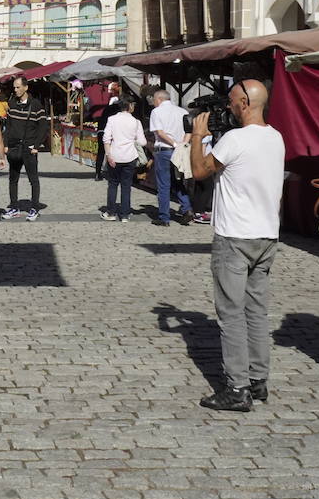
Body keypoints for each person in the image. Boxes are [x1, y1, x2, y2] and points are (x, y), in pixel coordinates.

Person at [187, 80, 286, 412]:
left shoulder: (235, 139)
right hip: (266, 234)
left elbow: (200, 170)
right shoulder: (275, 137)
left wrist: (198, 136)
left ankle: (236, 388)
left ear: (244, 102)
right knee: (256, 311)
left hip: (235, 236)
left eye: (231, 102)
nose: (228, 107)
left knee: (230, 314)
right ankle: (258, 380)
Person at [2, 75, 47, 222]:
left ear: (26, 87)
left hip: (29, 148)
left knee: (33, 179)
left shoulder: (36, 105)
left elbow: (43, 126)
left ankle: (34, 208)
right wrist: (6, 145)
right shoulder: (12, 104)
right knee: (12, 179)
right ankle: (14, 207)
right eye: (14, 87)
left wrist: (37, 145)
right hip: (14, 147)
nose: (15, 90)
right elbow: (8, 126)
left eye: (18, 87)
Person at [147, 87, 194, 226]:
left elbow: (160, 133)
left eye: (154, 100)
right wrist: (182, 144)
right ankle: (187, 208)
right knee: (178, 181)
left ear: (159, 99)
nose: (154, 103)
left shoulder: (156, 112)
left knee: (163, 184)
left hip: (164, 150)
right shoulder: (183, 111)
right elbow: (189, 130)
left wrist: (174, 143)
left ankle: (164, 217)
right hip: (180, 150)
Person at [100, 96, 145, 223]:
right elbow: (142, 141)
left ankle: (111, 212)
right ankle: (125, 214)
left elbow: (106, 139)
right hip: (130, 157)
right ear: (130, 106)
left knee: (113, 184)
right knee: (126, 186)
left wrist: (108, 155)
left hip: (114, 156)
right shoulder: (136, 122)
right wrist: (132, 139)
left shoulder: (112, 119)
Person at [94, 83, 123, 182]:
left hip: (100, 131)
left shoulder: (106, 109)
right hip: (108, 132)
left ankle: (97, 173)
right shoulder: (117, 110)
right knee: (111, 153)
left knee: (101, 153)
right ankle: (113, 174)